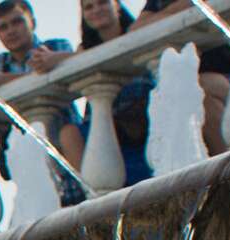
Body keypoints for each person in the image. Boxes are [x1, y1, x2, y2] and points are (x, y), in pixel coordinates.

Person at [0, 0, 90, 205]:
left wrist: (2, 81)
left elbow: (57, 68)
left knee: (87, 204)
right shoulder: (0, 62)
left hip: (68, 149)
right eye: (3, 27)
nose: (11, 30)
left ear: (32, 22)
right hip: (33, 163)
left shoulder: (54, 46)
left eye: (17, 22)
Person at [33, 1, 157, 186]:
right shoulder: (85, 49)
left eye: (102, 3)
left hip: (140, 128)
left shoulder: (136, 32)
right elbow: (80, 56)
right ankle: (93, 194)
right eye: (89, 7)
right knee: (69, 133)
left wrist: (57, 58)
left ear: (116, 6)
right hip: (105, 129)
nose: (96, 10)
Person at [138, 0, 230, 156]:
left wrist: (164, 15)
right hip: (203, 88)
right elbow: (137, 28)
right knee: (192, 97)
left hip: (227, 77)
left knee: (193, 88)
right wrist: (180, 8)